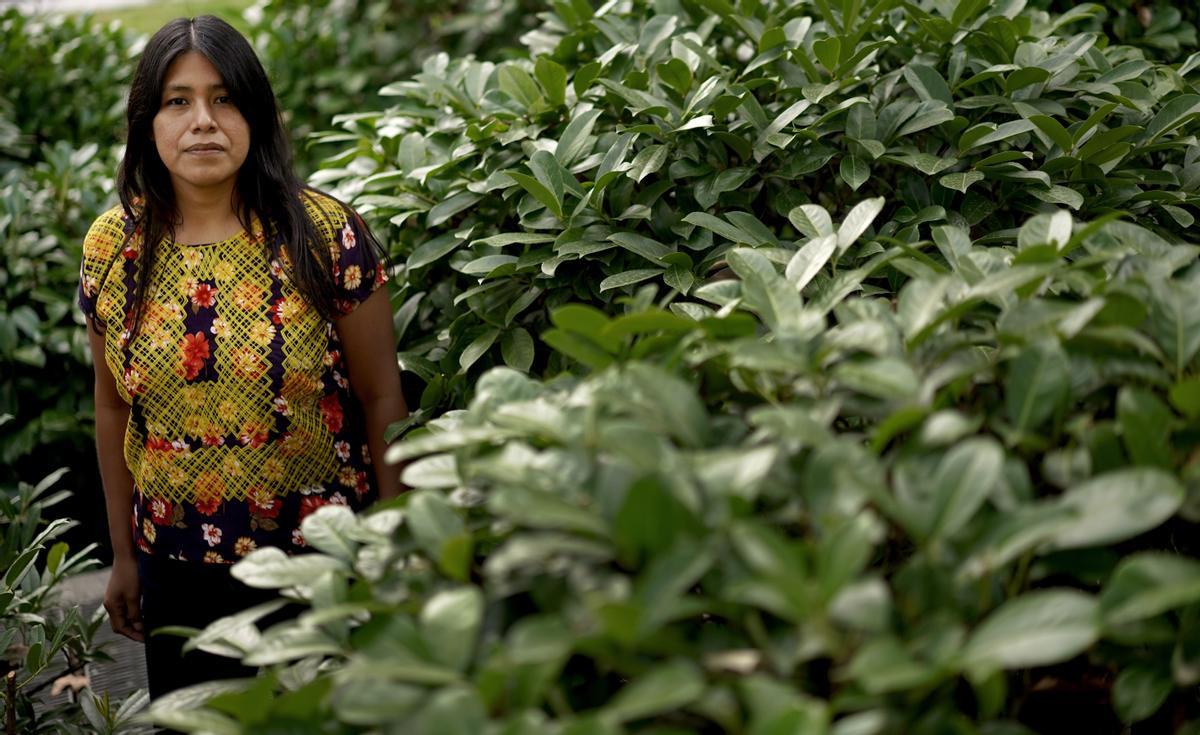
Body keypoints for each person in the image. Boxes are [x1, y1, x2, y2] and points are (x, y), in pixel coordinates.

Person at [77, 15, 407, 703]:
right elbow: (111, 408)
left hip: (318, 564)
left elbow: (382, 398)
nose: (203, 121)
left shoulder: (322, 233)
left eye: (224, 98)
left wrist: (395, 549)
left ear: (255, 112)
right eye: (178, 100)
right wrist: (123, 556)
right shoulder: (114, 248)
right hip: (176, 570)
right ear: (148, 121)